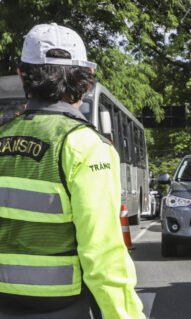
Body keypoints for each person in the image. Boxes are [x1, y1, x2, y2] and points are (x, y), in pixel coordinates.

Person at [0, 23, 144, 318]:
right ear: (86, 82)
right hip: (61, 304)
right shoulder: (86, 146)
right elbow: (103, 255)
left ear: (22, 77)